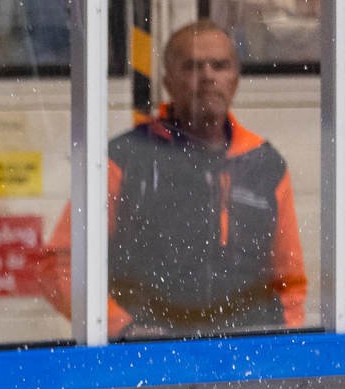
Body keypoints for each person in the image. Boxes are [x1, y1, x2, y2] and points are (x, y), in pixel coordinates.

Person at [40, 20, 305, 338]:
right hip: (151, 365)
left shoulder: (265, 163)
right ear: (168, 80)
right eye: (192, 66)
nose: (207, 76)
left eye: (219, 66)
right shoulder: (122, 159)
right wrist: (122, 329)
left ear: (235, 79)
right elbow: (61, 265)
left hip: (247, 363)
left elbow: (290, 281)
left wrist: (287, 345)